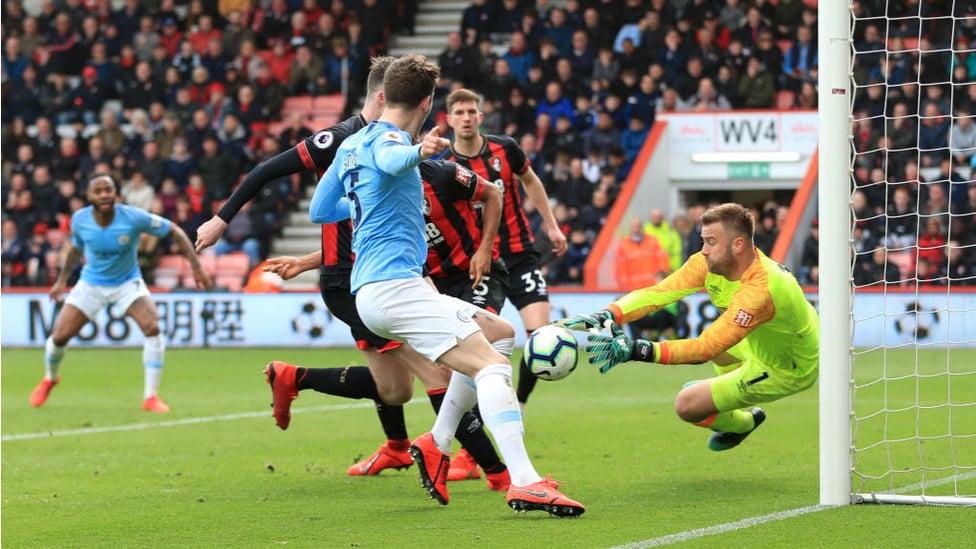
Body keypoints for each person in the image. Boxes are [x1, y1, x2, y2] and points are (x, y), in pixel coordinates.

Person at [194, 57, 509, 489]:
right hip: (358, 280)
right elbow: (269, 170)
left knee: (395, 389)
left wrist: (307, 260)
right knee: (439, 372)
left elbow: (337, 212)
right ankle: (496, 470)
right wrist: (222, 218)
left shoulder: (375, 148)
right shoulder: (349, 139)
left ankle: (302, 382)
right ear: (386, 98)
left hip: (363, 274)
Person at [310, 54, 583, 516]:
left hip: (383, 290)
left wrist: (367, 204)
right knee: (492, 367)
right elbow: (395, 157)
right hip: (395, 289)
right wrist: (420, 153)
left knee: (501, 333)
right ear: (428, 101)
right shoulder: (391, 140)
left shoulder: (351, 145)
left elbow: (321, 209)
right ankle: (526, 481)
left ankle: (436, 444)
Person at [560, 203, 819, 451]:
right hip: (768, 337)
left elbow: (703, 349)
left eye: (711, 242)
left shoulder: (760, 290)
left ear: (738, 245)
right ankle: (729, 398)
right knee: (720, 339)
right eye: (703, 240)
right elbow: (658, 293)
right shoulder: (708, 263)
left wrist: (636, 350)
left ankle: (743, 424)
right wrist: (609, 314)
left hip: (787, 366)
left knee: (688, 404)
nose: (703, 250)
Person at [30, 174, 213, 412]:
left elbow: (175, 230)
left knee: (152, 327)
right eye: (99, 191)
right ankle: (50, 378)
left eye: (109, 190)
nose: (104, 194)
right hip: (91, 284)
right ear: (90, 196)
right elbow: (75, 249)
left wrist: (196, 267)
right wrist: (61, 281)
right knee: (59, 337)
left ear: (116, 193)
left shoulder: (133, 216)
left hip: (128, 282)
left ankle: (150, 397)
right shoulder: (80, 219)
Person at [444, 88, 569, 411]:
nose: (467, 118)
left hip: (519, 253)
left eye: (472, 112)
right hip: (481, 262)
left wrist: (551, 224)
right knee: (478, 341)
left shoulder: (505, 149)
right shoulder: (444, 166)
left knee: (541, 336)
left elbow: (531, 180)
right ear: (448, 120)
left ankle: (520, 404)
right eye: (460, 113)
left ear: (481, 117)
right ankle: (477, 412)